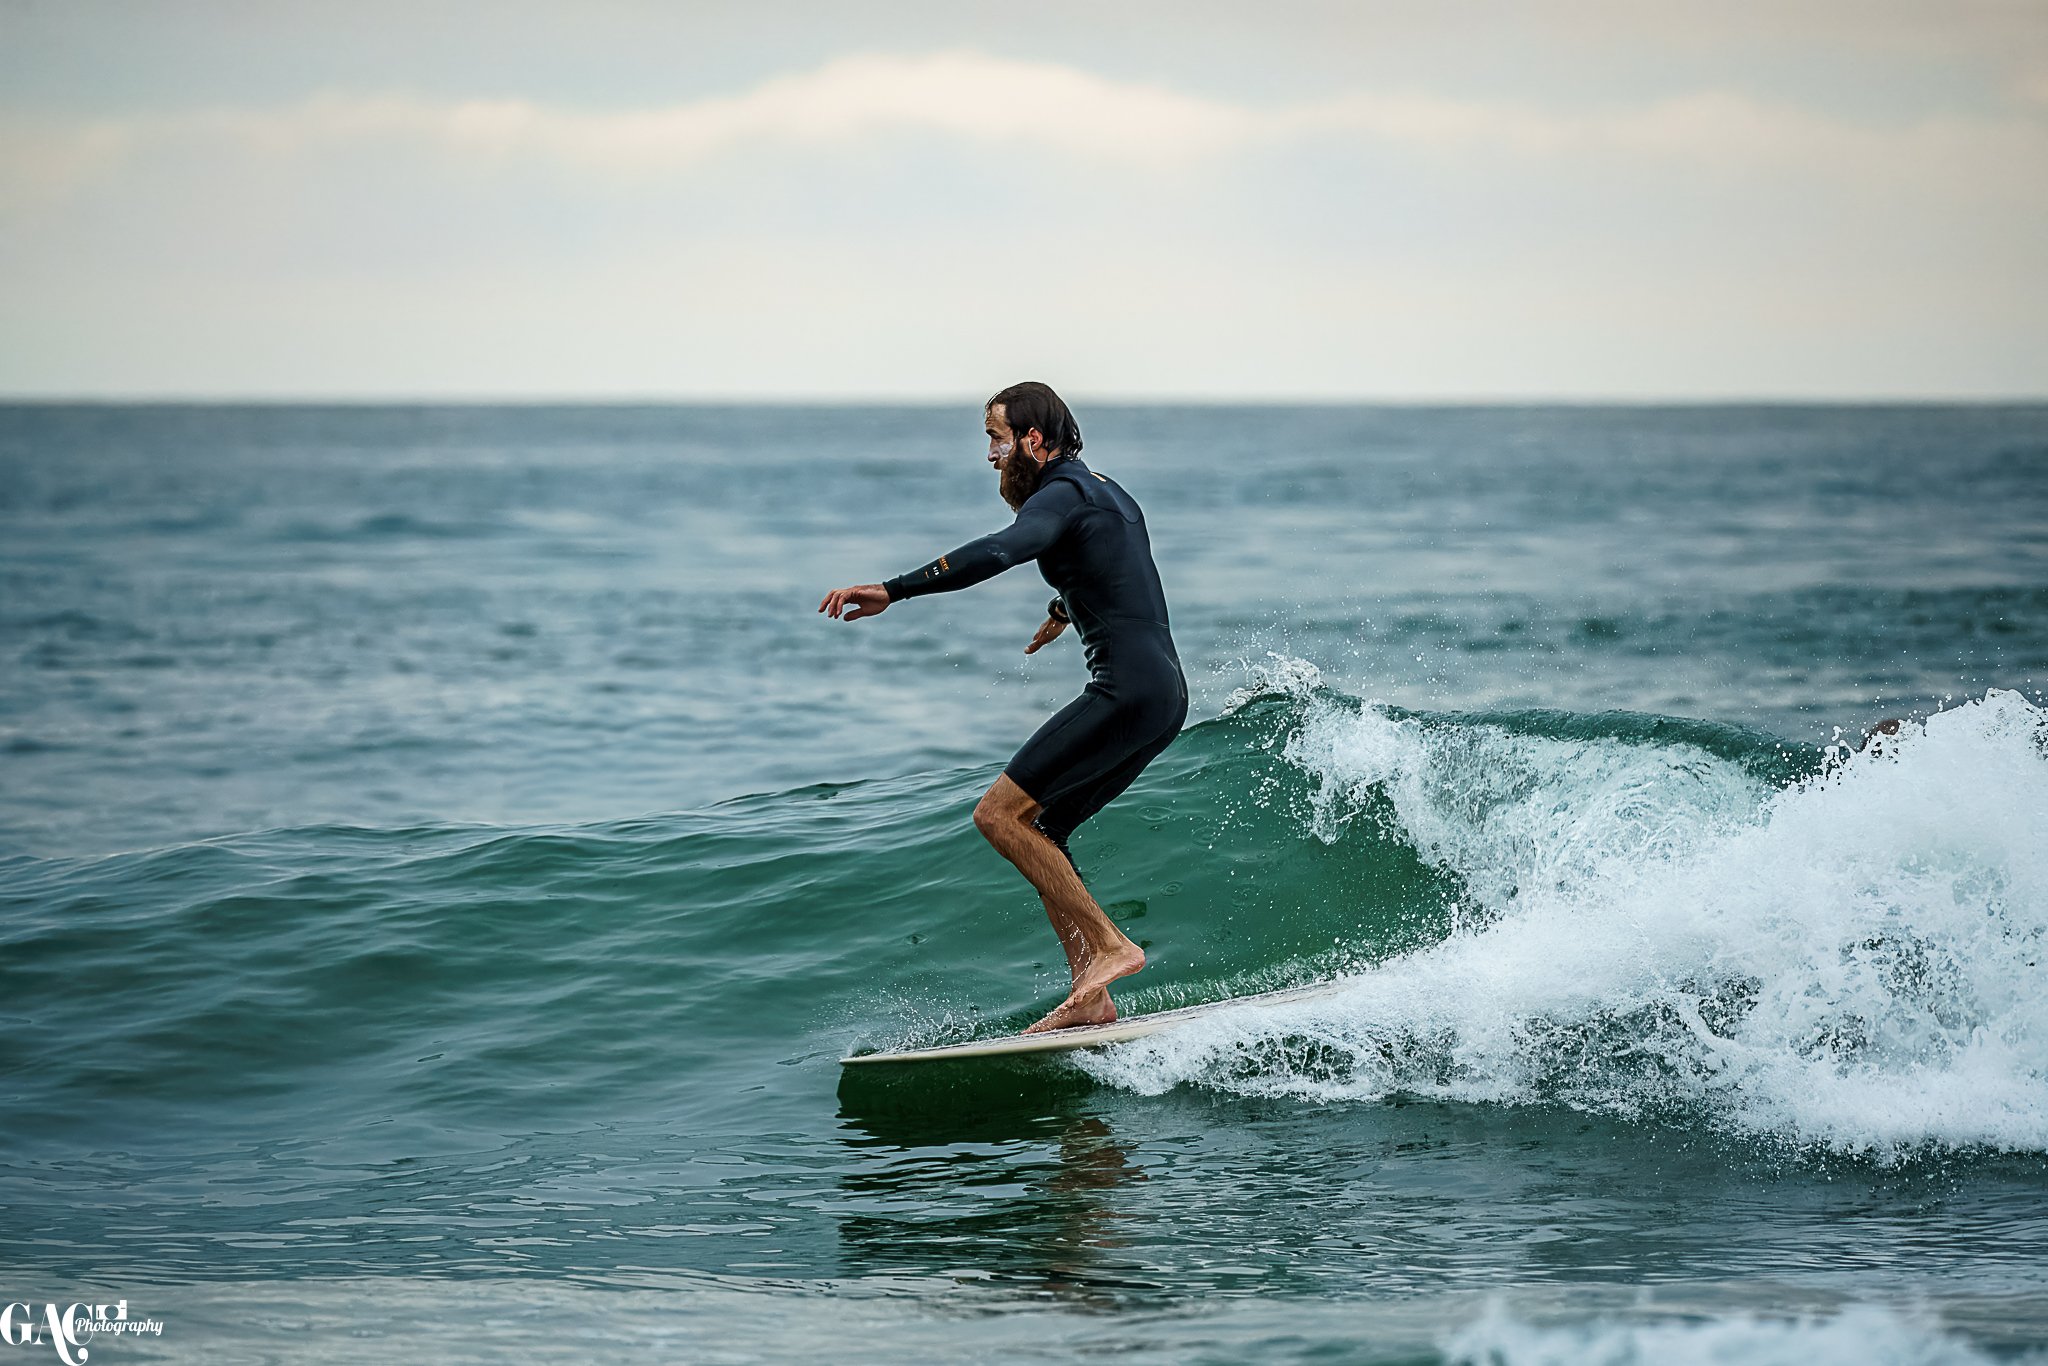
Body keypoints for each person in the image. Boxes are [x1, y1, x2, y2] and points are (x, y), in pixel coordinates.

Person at [819, 382, 1189, 1032]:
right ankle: (1089, 993)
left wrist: (894, 589)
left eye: (996, 439)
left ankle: (1110, 948)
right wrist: (1062, 609)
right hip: (1163, 692)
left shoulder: (1057, 496)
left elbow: (1001, 550)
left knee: (997, 815)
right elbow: (1113, 564)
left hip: (1126, 689)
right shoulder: (1106, 489)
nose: (991, 455)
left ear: (1033, 440)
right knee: (1043, 827)